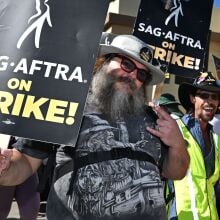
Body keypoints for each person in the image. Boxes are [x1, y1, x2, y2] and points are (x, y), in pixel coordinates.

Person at [0, 34, 189, 220]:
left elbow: (176, 173)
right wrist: (5, 167)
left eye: (141, 74)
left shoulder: (154, 119)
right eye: (127, 64)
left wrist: (178, 144)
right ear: (104, 62)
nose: (132, 75)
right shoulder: (66, 104)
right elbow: (25, 163)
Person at [167, 72, 220, 220]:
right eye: (204, 96)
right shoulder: (175, 129)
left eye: (215, 97)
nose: (210, 101)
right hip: (181, 216)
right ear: (192, 98)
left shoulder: (216, 139)